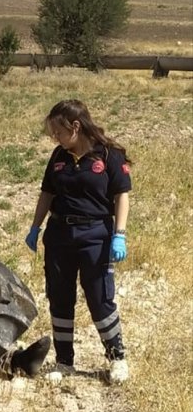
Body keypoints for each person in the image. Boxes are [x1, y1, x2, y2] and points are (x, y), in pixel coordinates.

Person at [24, 99, 131, 384]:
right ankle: (64, 360)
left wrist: (119, 235)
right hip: (59, 237)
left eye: (58, 132)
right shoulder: (59, 156)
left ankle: (117, 357)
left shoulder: (109, 156)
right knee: (60, 298)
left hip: (95, 237)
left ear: (75, 126)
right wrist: (35, 227)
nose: (55, 138)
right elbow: (47, 194)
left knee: (99, 298)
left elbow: (122, 196)